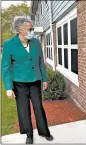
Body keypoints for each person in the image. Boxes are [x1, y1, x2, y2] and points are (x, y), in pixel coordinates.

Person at [1, 16, 53, 144]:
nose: (32, 31)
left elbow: (41, 61)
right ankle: (29, 134)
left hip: (35, 81)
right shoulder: (9, 44)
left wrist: (44, 79)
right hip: (19, 83)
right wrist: (8, 87)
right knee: (23, 109)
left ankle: (44, 131)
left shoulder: (36, 42)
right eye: (30, 29)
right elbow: (5, 67)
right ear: (20, 30)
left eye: (32, 28)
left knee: (38, 107)